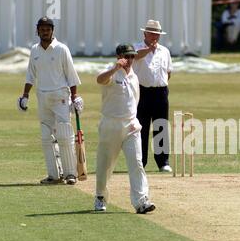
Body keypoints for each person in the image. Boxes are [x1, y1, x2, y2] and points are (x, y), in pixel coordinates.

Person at [17, 16, 83, 185]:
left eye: (48, 29)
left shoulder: (62, 49)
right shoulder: (35, 50)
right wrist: (25, 95)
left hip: (60, 96)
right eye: (42, 29)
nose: (45, 32)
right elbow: (30, 74)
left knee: (64, 134)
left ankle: (70, 174)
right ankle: (54, 175)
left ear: (52, 30)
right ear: (37, 30)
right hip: (42, 96)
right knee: (46, 135)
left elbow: (71, 75)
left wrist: (74, 96)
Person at [95, 44, 155, 214]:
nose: (129, 60)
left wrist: (132, 120)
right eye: (126, 57)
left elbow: (134, 102)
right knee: (105, 164)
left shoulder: (134, 77)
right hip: (110, 125)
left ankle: (141, 201)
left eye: (131, 57)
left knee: (137, 163)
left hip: (130, 126)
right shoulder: (111, 72)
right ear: (118, 56)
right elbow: (99, 80)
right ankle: (100, 197)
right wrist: (115, 68)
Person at [132, 20, 173, 172]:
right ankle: (140, 161)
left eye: (157, 34)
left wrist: (160, 85)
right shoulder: (137, 47)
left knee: (161, 125)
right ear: (145, 34)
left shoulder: (165, 51)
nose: (155, 36)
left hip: (160, 92)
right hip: (142, 92)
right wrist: (149, 49)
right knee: (141, 127)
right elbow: (136, 57)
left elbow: (168, 72)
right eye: (151, 33)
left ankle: (163, 162)